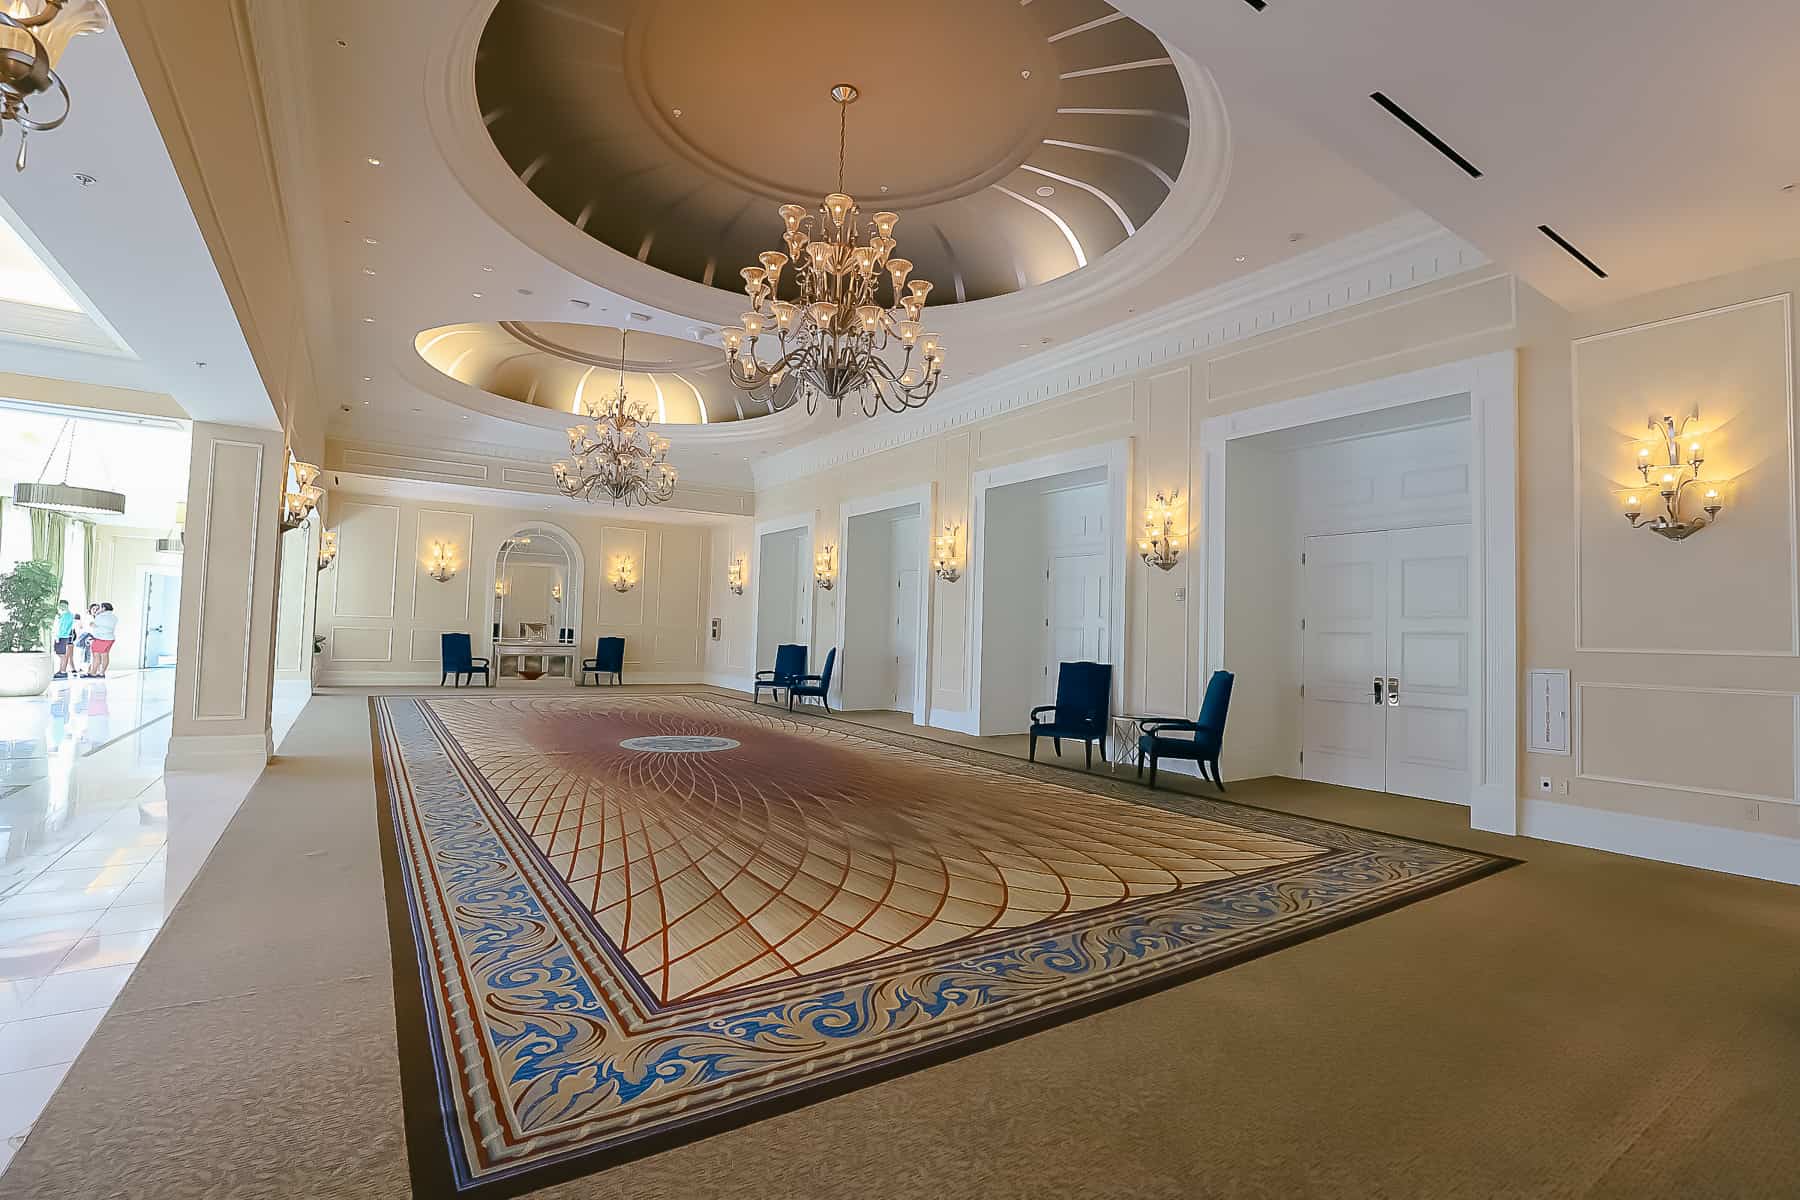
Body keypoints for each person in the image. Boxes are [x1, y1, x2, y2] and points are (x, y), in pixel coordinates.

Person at [88, 602, 118, 678]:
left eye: (100, 608)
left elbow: (94, 625)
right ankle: (102, 673)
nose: (98, 609)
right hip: (110, 638)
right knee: (105, 655)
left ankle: (93, 673)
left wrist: (93, 624)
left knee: (96, 656)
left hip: (100, 639)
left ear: (104, 608)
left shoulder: (100, 616)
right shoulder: (114, 617)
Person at [52, 599, 75, 679]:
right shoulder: (66, 614)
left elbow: (63, 627)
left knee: (62, 654)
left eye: (62, 605)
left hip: (62, 636)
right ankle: (61, 670)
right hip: (62, 636)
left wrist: (58, 636)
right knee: (61, 654)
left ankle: (63, 671)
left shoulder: (67, 615)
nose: (60, 607)